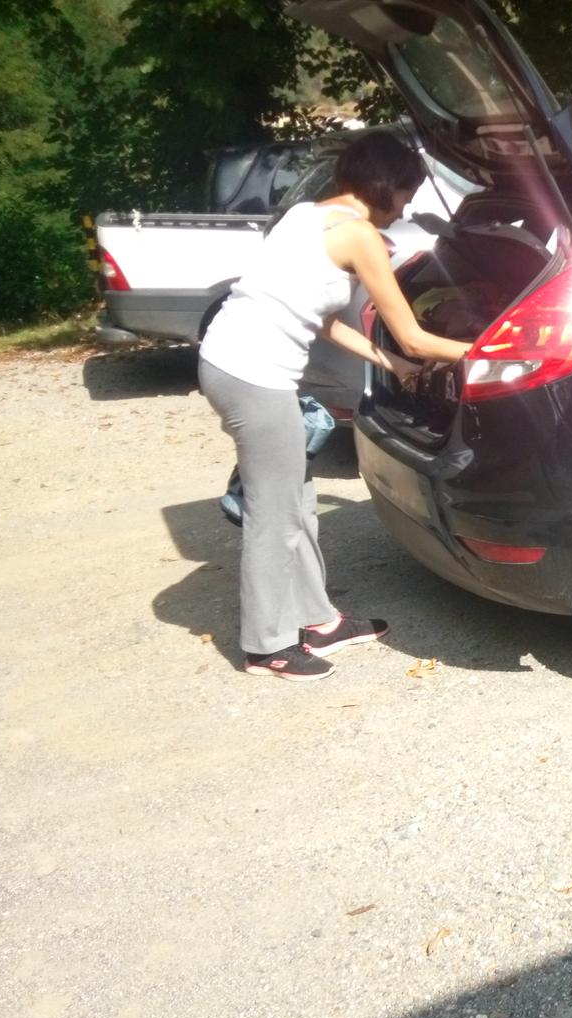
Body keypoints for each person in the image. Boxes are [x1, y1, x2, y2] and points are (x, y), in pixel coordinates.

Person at [198, 130, 470, 681]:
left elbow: (321, 321)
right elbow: (416, 338)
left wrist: (389, 364)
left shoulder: (305, 215)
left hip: (228, 361)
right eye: (407, 192)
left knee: (297, 501)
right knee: (274, 516)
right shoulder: (361, 237)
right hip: (255, 377)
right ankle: (267, 647)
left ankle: (318, 620)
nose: (409, 205)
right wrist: (491, 351)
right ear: (385, 186)